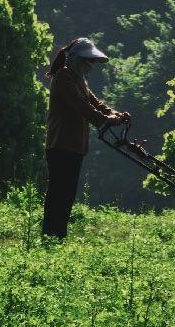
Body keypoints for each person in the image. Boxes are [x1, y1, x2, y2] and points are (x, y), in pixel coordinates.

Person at [43, 37, 127, 241]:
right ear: (75, 59)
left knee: (68, 193)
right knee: (58, 193)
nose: (90, 65)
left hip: (74, 146)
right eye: (87, 61)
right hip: (60, 144)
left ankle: (58, 235)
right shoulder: (63, 77)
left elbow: (94, 102)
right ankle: (51, 235)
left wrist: (115, 114)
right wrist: (104, 120)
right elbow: (81, 105)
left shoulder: (78, 79)